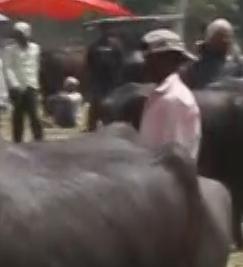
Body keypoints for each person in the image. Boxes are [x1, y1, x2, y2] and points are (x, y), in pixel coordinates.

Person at [136, 28, 202, 161]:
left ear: (167, 59)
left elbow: (173, 160)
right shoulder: (160, 95)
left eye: (149, 58)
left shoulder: (174, 100)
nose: (145, 64)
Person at [1, 21, 44, 143]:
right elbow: (7, 68)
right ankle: (17, 142)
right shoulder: (9, 50)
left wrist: (36, 81)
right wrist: (14, 85)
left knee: (35, 116)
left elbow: (37, 65)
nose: (18, 37)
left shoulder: (36, 48)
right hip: (18, 87)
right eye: (16, 34)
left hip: (32, 84)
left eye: (20, 34)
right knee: (18, 116)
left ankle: (39, 140)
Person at [84, 21, 124, 131]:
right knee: (95, 105)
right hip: (98, 81)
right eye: (103, 29)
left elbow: (120, 63)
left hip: (112, 81)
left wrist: (118, 79)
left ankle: (111, 127)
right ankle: (91, 128)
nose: (105, 31)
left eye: (107, 29)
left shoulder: (116, 45)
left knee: (111, 106)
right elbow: (89, 64)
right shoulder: (95, 46)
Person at [189, 19, 238, 88]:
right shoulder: (194, 67)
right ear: (209, 39)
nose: (225, 41)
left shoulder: (237, 66)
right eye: (221, 37)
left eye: (227, 37)